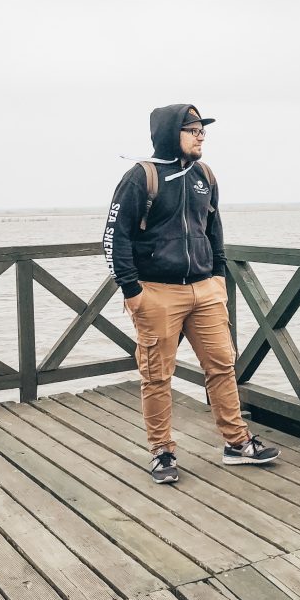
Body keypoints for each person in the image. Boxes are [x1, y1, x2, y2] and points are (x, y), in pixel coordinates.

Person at [102, 104, 279, 484]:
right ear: (170, 132)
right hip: (157, 293)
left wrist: (217, 277)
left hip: (205, 291)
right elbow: (115, 238)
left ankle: (236, 443)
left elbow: (214, 229)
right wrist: (132, 290)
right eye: (192, 129)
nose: (201, 136)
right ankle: (162, 451)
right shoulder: (140, 178)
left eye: (203, 130)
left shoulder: (205, 175)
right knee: (156, 375)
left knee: (222, 366)